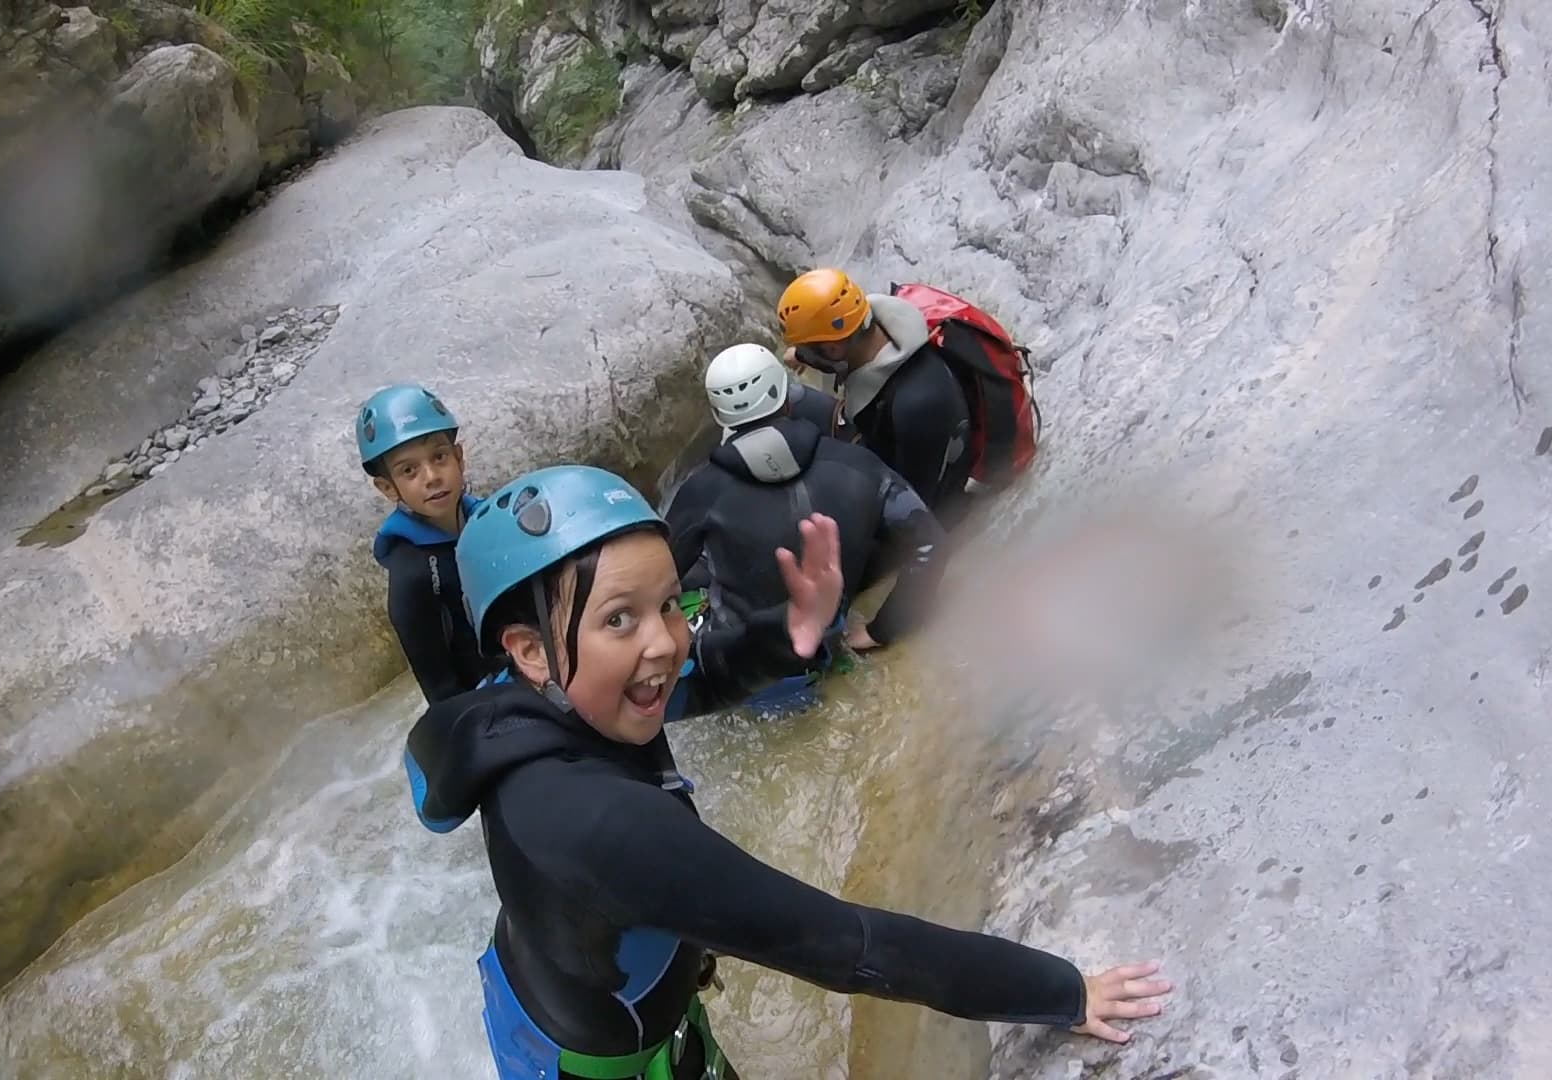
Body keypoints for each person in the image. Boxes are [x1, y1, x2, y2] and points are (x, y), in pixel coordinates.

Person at [403, 464, 1170, 1080]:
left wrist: (786, 636)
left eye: (671, 604)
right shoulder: (604, 829)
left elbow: (684, 682)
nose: (665, 642)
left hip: (558, 996)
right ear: (528, 646)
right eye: (619, 618)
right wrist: (1062, 992)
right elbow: (847, 945)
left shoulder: (520, 706)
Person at [668, 343, 946, 658]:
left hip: (741, 665)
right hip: (825, 642)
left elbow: (656, 577)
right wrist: (881, 630)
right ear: (786, 398)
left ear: (719, 414)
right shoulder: (861, 465)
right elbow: (931, 544)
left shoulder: (701, 492)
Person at [777, 267, 974, 521]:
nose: (800, 353)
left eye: (806, 349)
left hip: (927, 503)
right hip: (889, 444)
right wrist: (804, 355)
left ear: (834, 350)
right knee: (789, 398)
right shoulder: (871, 325)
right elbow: (833, 351)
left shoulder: (917, 405)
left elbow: (913, 508)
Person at [357, 383, 499, 705]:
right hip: (480, 699)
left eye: (439, 456)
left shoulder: (488, 519)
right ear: (388, 488)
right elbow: (438, 687)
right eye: (409, 471)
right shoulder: (413, 573)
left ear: (459, 458)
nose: (432, 476)